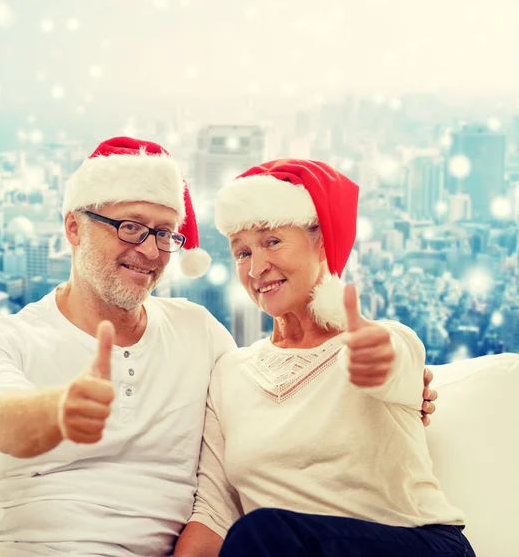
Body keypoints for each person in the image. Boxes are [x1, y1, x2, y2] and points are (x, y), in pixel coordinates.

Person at [0, 139, 437, 557]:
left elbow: (382, 366)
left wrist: (398, 375)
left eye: (163, 233)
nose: (151, 251)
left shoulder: (199, 335)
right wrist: (58, 411)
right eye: (130, 227)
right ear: (73, 227)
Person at [175, 159, 475, 557]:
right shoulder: (230, 373)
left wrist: (375, 357)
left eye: (273, 242)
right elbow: (214, 513)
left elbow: (392, 362)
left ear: (321, 242)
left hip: (415, 544)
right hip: (277, 547)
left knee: (264, 531)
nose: (257, 267)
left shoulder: (383, 340)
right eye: (242, 252)